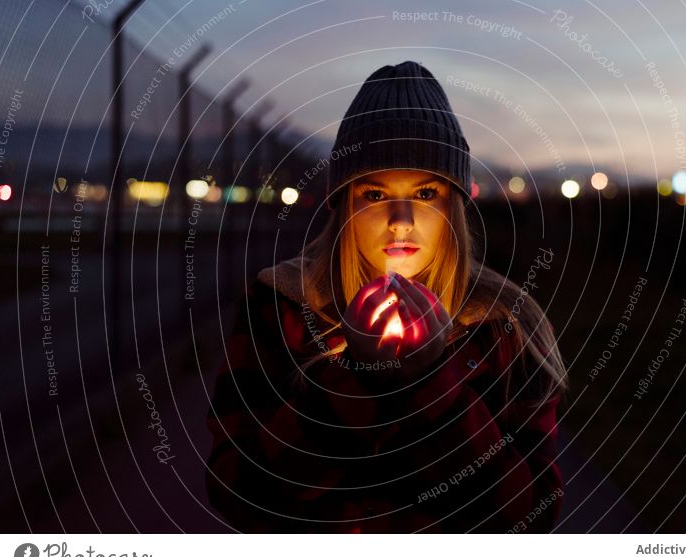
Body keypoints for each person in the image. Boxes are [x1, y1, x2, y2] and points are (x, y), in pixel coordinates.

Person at [205, 60, 568, 533]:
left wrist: (434, 383)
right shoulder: (284, 305)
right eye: (375, 195)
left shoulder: (501, 322)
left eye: (426, 192)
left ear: (454, 204)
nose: (401, 220)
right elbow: (235, 491)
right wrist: (358, 380)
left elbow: (534, 515)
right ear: (344, 205)